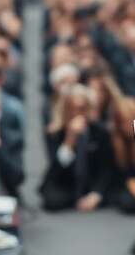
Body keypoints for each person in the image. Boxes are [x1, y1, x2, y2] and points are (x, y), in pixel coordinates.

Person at [39, 84, 113, 212]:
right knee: (52, 200)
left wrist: (96, 194)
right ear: (65, 109)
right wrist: (69, 140)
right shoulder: (54, 132)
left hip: (91, 182)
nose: (76, 113)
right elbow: (55, 169)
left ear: (88, 108)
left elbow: (106, 168)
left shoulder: (100, 131)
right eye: (71, 108)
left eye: (81, 109)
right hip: (64, 182)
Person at [107, 97, 135, 214]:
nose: (129, 125)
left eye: (132, 121)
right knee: (128, 203)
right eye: (124, 122)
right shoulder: (111, 140)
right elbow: (118, 172)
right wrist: (133, 186)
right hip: (122, 183)